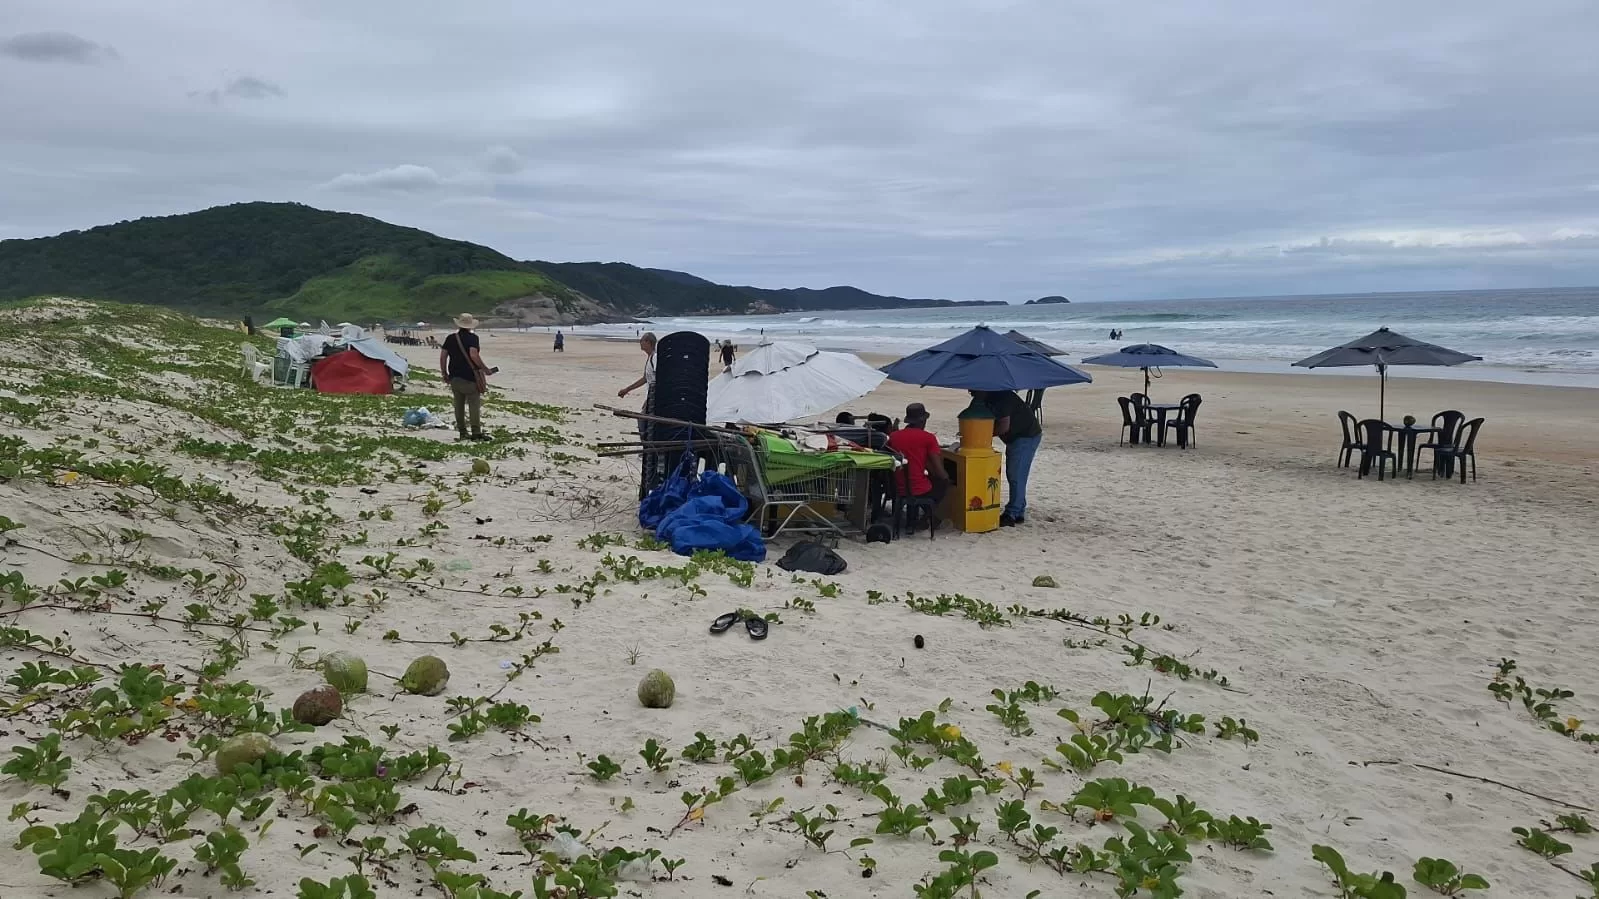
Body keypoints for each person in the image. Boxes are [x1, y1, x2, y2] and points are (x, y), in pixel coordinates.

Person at [975, 389, 1042, 526]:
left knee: (1015, 474)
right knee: (1017, 474)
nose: (970, 392)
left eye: (973, 389)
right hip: (1015, 437)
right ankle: (1019, 511)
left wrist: (981, 435)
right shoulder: (985, 398)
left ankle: (1011, 513)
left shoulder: (1003, 398)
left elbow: (1003, 427)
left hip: (1025, 436)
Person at [886, 403, 949, 528]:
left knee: (924, 482)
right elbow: (940, 472)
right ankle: (927, 517)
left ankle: (925, 516)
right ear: (923, 420)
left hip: (897, 486)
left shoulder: (893, 436)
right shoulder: (928, 438)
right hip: (917, 489)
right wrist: (946, 477)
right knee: (943, 482)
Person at [441, 314, 491, 442]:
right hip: (469, 377)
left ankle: (462, 433)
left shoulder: (451, 338)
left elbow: (443, 356)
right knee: (473, 405)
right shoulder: (473, 338)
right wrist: (485, 369)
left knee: (458, 405)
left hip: (454, 376)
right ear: (470, 326)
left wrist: (444, 373)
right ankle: (476, 433)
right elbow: (473, 355)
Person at [618, 332, 657, 436]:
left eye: (642, 340)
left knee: (642, 420)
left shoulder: (655, 358)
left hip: (655, 396)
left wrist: (651, 398)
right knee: (645, 421)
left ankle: (646, 445)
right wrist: (627, 390)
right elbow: (645, 378)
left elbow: (660, 378)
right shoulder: (650, 358)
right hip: (651, 397)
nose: (640, 342)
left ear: (648, 342)